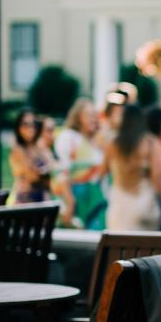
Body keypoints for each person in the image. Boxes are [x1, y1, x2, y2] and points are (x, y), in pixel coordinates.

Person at [103, 103, 161, 231]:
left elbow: (103, 172)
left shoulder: (113, 143)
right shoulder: (150, 143)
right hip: (144, 203)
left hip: (119, 205)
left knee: (118, 247)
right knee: (146, 247)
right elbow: (157, 176)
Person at [55, 98, 108, 230]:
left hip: (97, 199)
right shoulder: (68, 137)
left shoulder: (96, 141)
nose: (94, 119)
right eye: (89, 115)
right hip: (77, 199)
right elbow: (62, 172)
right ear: (78, 117)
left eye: (95, 116)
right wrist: (70, 203)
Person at [8, 108, 54, 205]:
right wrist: (46, 172)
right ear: (18, 127)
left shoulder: (38, 145)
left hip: (43, 196)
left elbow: (52, 165)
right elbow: (32, 176)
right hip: (25, 199)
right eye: (26, 124)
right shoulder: (17, 149)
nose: (30, 128)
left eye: (33, 124)